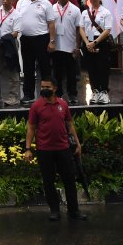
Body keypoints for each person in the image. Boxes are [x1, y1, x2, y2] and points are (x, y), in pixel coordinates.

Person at [24, 79, 86, 222]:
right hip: (44, 150)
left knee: (69, 180)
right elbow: (31, 128)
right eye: (42, 87)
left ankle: (73, 211)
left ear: (55, 88)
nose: (44, 89)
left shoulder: (63, 104)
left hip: (63, 149)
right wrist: (28, 148)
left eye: (47, 87)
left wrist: (78, 144)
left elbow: (70, 126)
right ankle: (54, 211)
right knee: (48, 181)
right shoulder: (36, 106)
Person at [16, 0, 56, 104]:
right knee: (27, 68)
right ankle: (28, 94)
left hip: (42, 39)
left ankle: (46, 94)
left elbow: (51, 24)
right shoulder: (21, 2)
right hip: (26, 39)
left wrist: (52, 41)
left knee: (44, 68)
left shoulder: (46, 4)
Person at [78, 0, 115, 105]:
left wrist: (95, 42)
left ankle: (104, 92)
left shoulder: (105, 12)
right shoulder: (85, 13)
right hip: (88, 41)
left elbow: (108, 30)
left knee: (102, 68)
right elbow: (81, 28)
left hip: (101, 41)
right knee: (91, 68)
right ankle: (95, 91)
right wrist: (87, 42)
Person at [50, 0, 82, 104]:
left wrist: (77, 46)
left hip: (70, 46)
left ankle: (72, 94)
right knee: (57, 72)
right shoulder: (52, 8)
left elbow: (79, 29)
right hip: (56, 46)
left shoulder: (75, 9)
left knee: (71, 73)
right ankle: (58, 94)